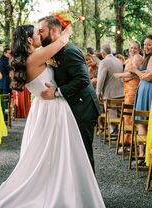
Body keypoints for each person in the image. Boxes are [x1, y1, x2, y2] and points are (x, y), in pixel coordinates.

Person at [0, 24, 105, 208]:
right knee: (59, 152)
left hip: (41, 108)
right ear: (29, 40)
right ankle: (63, 189)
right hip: (53, 109)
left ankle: (62, 186)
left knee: (49, 153)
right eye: (37, 33)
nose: (39, 35)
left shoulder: (25, 60)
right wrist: (67, 29)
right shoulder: (36, 57)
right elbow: (61, 41)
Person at [38, 16, 101, 171]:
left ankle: (89, 193)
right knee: (71, 153)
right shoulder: (53, 50)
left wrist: (57, 92)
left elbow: (83, 79)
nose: (38, 35)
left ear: (53, 31)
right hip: (71, 106)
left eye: (41, 31)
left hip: (83, 107)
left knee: (83, 153)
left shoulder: (69, 51)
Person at [128, 34, 152, 161]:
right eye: (144, 44)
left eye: (149, 44)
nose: (146, 47)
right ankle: (144, 153)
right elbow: (146, 73)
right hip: (145, 91)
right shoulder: (150, 57)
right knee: (142, 121)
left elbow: (149, 77)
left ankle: (145, 154)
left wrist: (135, 70)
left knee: (142, 121)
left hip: (148, 91)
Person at [113, 41, 143, 152]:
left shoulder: (137, 58)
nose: (132, 50)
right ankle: (126, 143)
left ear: (139, 50)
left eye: (135, 48)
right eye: (131, 48)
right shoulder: (129, 59)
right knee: (127, 115)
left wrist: (119, 75)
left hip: (133, 89)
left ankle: (127, 143)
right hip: (127, 88)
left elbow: (133, 73)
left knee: (128, 115)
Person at [97, 43, 124, 135]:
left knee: (111, 114)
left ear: (103, 52)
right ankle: (120, 133)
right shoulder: (119, 61)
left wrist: (98, 92)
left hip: (109, 93)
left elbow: (101, 79)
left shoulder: (104, 62)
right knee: (120, 116)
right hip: (121, 92)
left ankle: (114, 132)